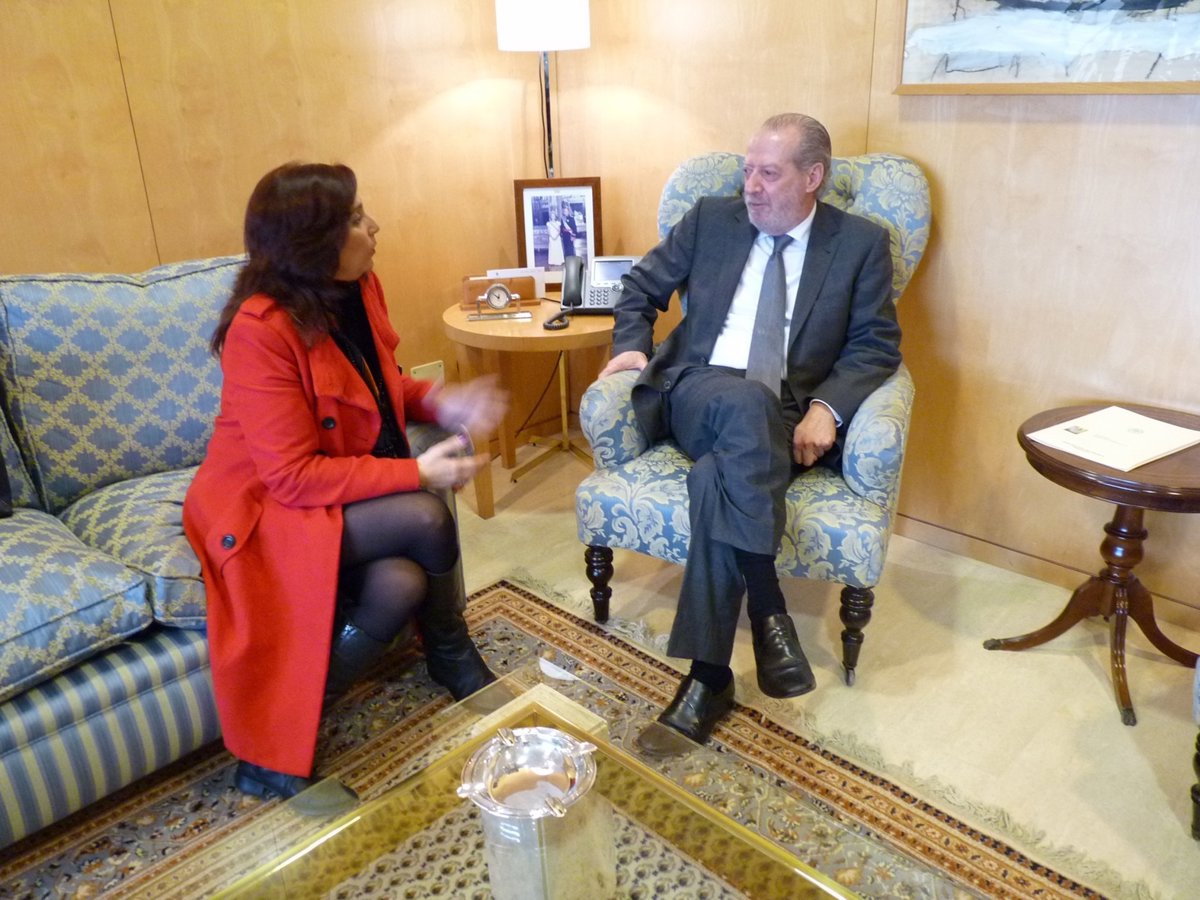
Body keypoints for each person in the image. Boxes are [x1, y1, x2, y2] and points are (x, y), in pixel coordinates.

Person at [183, 162, 507, 812]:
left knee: (401, 584)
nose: (374, 226)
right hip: (261, 503)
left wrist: (441, 400)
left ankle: (282, 740)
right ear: (315, 242)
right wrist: (418, 471)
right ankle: (444, 656)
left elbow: (380, 385)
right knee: (426, 514)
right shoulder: (260, 329)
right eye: (357, 219)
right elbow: (290, 474)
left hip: (323, 486)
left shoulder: (358, 287)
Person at [597, 114, 900, 752]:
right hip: (698, 390)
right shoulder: (712, 218)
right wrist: (630, 346)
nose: (751, 186)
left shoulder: (860, 244)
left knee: (717, 477)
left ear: (812, 177)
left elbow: (876, 344)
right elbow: (640, 286)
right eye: (747, 170)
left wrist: (829, 408)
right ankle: (767, 604)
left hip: (785, 412)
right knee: (742, 404)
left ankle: (708, 679)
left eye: (769, 173)